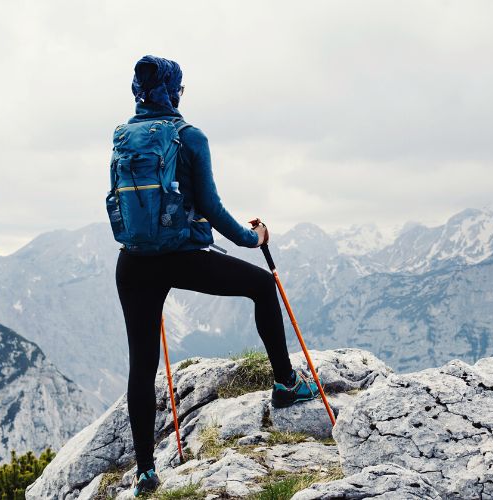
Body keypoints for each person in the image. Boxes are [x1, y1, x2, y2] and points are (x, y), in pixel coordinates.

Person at [115, 55, 321, 497]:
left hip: (133, 262)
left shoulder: (122, 137)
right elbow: (209, 205)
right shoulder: (190, 136)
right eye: (180, 89)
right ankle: (285, 384)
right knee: (262, 287)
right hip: (181, 256)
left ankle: (146, 473)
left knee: (141, 365)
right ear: (173, 91)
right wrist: (253, 238)